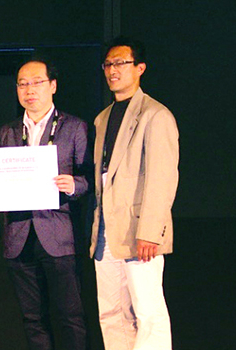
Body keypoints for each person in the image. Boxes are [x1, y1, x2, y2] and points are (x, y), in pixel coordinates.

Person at [0, 58, 90, 349]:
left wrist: (75, 185)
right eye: (22, 83)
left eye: (37, 82)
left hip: (58, 235)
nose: (29, 89)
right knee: (32, 319)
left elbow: (89, 178)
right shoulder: (6, 131)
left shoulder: (75, 127)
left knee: (71, 316)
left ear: (53, 86)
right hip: (18, 235)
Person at [92, 36, 178, 350]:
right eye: (108, 64)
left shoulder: (156, 114)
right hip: (106, 233)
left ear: (140, 68)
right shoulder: (102, 118)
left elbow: (162, 178)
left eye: (121, 63)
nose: (113, 70)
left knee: (149, 312)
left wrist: (150, 232)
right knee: (111, 313)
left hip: (140, 233)